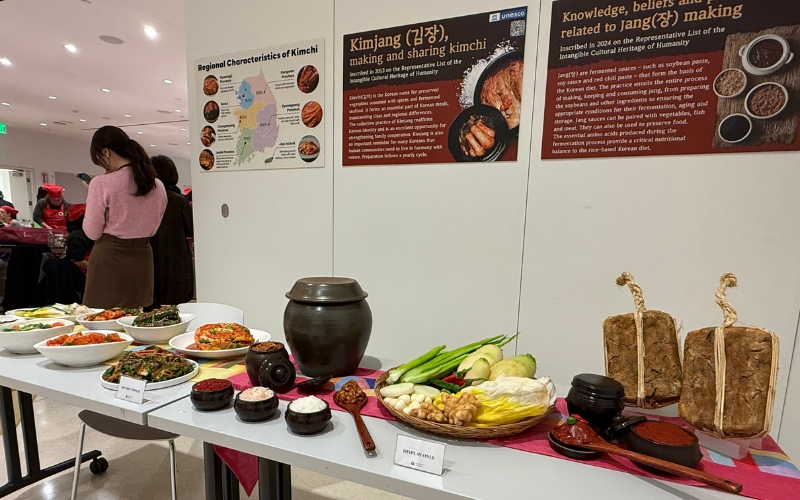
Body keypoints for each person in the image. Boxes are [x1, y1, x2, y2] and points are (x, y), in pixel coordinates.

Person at [82, 126, 167, 308]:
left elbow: (92, 232)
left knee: (102, 320)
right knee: (136, 318)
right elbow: (155, 224)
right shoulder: (157, 184)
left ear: (106, 151)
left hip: (110, 256)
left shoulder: (101, 183)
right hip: (143, 255)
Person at [149, 156, 194, 307]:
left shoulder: (143, 199)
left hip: (149, 255)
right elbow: (191, 229)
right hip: (177, 256)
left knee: (152, 301)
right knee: (176, 303)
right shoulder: (178, 200)